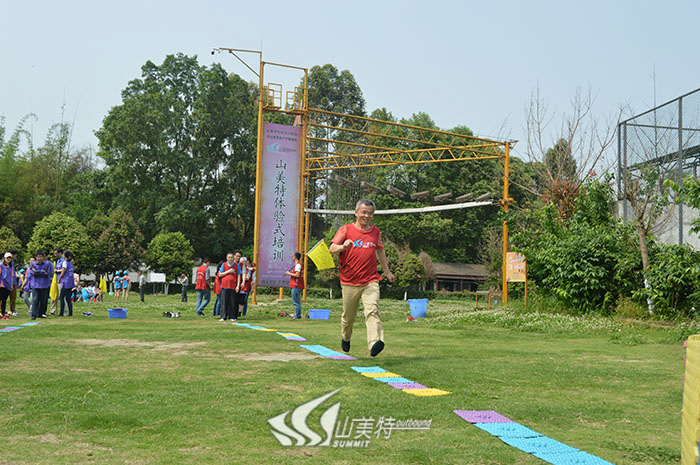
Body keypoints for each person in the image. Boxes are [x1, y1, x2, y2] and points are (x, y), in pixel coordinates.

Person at [329, 199, 395, 357]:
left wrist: (387, 272)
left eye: (370, 213)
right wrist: (343, 246)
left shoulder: (375, 232)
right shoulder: (346, 229)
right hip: (349, 281)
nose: (367, 216)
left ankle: (374, 342)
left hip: (370, 280)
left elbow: (380, 251)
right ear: (356, 212)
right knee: (348, 317)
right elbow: (332, 248)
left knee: (373, 310)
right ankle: (346, 337)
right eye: (364, 212)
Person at [29, 250, 54, 320]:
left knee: (43, 300)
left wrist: (37, 271)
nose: (39, 258)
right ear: (36, 257)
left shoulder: (47, 264)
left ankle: (41, 313)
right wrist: (41, 271)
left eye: (41, 257)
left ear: (43, 257)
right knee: (35, 299)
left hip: (44, 284)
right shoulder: (33, 264)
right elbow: (32, 272)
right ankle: (34, 314)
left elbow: (47, 273)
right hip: (35, 284)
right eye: (38, 257)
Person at [219, 251, 242, 321]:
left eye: (232, 257)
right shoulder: (224, 265)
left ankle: (232, 316)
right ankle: (223, 317)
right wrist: (228, 271)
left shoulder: (237, 265)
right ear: (227, 258)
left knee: (232, 302)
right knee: (224, 302)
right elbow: (220, 274)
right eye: (229, 257)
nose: (230, 259)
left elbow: (239, 275)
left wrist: (238, 286)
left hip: (233, 286)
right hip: (224, 286)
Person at [285, 253, 304, 319]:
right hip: (296, 285)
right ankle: (297, 315)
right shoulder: (297, 265)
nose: (292, 257)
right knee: (296, 301)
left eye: (293, 256)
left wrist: (288, 273)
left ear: (295, 257)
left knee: (296, 302)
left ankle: (298, 316)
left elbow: (297, 275)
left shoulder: (298, 265)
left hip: (296, 285)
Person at [57, 250, 75, 317]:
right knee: (68, 298)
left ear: (64, 256)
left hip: (65, 282)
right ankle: (70, 313)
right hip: (70, 282)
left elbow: (63, 272)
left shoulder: (65, 262)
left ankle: (61, 313)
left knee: (61, 297)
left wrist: (59, 279)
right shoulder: (71, 262)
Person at [50, 248, 64, 315]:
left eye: (56, 253)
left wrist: (57, 270)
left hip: (61, 280)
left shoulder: (63, 261)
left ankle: (63, 311)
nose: (55, 255)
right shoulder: (58, 261)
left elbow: (64, 269)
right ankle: (52, 311)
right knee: (53, 295)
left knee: (61, 296)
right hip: (55, 280)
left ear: (60, 253)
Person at [0, 253, 13, 319]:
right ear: (4, 258)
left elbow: (11, 277)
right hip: (2, 285)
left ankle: (3, 313)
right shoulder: (1, 266)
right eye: (7, 258)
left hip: (7, 285)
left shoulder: (10, 267)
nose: (8, 259)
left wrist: (11, 285)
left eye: (9, 258)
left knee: (4, 300)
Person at [8, 249, 18, 316]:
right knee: (4, 297)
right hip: (7, 282)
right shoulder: (4, 263)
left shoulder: (12, 263)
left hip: (13, 282)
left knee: (13, 297)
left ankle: (12, 310)